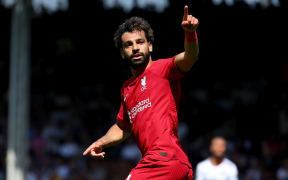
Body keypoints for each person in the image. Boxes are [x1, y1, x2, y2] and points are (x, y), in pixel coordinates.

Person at [83, 4, 199, 180]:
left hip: (163, 160)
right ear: (122, 53)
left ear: (150, 46)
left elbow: (190, 57)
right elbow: (123, 128)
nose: (135, 48)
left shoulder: (163, 69)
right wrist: (101, 142)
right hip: (174, 165)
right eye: (128, 45)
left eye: (140, 42)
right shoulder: (126, 89)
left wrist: (190, 33)